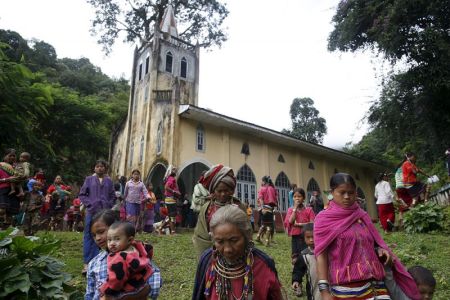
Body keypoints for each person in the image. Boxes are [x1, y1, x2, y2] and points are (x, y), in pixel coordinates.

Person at [314, 173, 420, 300]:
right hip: (347, 289)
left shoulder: (361, 215)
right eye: (342, 192)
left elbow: (373, 243)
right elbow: (321, 255)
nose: (347, 197)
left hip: (377, 285)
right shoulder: (324, 219)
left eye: (351, 192)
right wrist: (324, 292)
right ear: (332, 192)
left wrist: (380, 250)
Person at [192, 205, 284, 300]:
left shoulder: (263, 265)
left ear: (247, 236)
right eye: (220, 241)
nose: (227, 249)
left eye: (234, 240)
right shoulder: (208, 261)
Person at [86, 210, 162, 300]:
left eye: (101, 232)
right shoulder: (94, 263)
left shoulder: (136, 256)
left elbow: (155, 284)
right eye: (94, 235)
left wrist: (125, 298)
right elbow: (90, 294)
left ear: (116, 227)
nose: (98, 238)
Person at [192, 164, 246, 257]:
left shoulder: (239, 206)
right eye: (219, 191)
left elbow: (246, 232)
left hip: (234, 252)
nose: (223, 194)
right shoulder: (206, 208)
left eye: (227, 190)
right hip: (210, 252)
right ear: (213, 191)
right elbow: (201, 235)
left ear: (232, 190)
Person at [79, 159, 116, 275]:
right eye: (97, 166)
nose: (100, 168)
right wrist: (89, 204)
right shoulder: (89, 179)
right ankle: (87, 264)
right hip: (92, 211)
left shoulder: (109, 181)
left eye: (102, 166)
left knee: (106, 234)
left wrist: (109, 205)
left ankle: (107, 262)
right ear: (94, 168)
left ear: (105, 168)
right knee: (89, 234)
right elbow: (82, 194)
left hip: (104, 212)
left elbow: (113, 195)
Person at [99, 221, 153, 298]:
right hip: (141, 284)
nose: (112, 243)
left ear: (129, 240)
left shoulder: (119, 258)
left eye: (117, 239)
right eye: (109, 240)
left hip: (126, 292)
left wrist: (105, 290)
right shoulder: (139, 247)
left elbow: (116, 280)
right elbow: (149, 249)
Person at [284, 188, 315, 261]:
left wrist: (299, 224)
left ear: (303, 198)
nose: (297, 198)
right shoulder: (290, 210)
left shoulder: (309, 210)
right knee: (295, 256)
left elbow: (312, 223)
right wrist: (295, 208)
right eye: (295, 197)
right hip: (295, 236)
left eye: (299, 196)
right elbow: (291, 221)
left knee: (306, 255)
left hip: (306, 236)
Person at [292, 223, 319, 300]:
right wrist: (296, 280)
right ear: (304, 238)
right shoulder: (304, 255)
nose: (311, 240)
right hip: (312, 285)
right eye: (308, 237)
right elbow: (298, 270)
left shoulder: (325, 251)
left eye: (313, 237)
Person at [0, 148, 21, 229]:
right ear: (5, 156)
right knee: (2, 210)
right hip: (2, 190)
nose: (12, 157)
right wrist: (6, 179)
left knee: (10, 214)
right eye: (10, 155)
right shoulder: (0, 165)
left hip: (15, 191)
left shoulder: (18, 168)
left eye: (14, 156)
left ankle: (3, 233)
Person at [255, 176, 278, 245]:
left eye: (262, 181)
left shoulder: (262, 189)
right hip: (270, 208)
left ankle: (258, 236)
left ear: (264, 182)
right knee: (270, 225)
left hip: (264, 207)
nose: (261, 182)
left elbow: (261, 199)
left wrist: (262, 208)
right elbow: (276, 199)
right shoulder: (273, 189)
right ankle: (267, 241)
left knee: (264, 224)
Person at [163, 166, 180, 234]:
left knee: (170, 215)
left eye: (175, 170)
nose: (175, 171)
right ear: (170, 171)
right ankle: (173, 231)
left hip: (170, 199)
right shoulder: (171, 179)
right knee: (172, 215)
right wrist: (174, 192)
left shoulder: (170, 178)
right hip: (170, 199)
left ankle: (160, 227)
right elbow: (166, 187)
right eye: (173, 170)